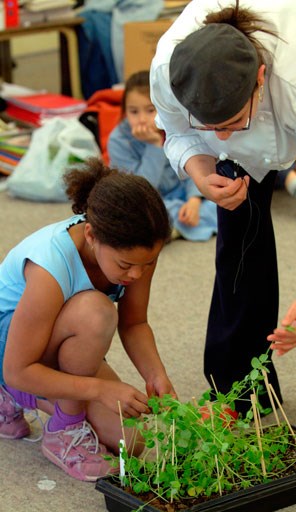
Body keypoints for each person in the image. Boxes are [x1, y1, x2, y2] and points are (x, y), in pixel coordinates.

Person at [150, 0, 296, 442]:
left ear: (260, 78)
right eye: (210, 124)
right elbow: (177, 131)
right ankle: (238, 389)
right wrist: (201, 170)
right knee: (237, 231)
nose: (220, 136)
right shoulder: (169, 66)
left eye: (234, 122)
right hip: (256, 86)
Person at [0, 157, 175, 481]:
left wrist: (156, 375)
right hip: (11, 353)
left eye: (147, 263)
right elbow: (17, 369)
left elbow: (134, 322)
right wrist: (97, 390)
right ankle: (58, 429)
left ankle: (43, 401)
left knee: (132, 441)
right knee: (96, 312)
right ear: (92, 235)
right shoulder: (50, 266)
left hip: (63, 343)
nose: (136, 274)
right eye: (125, 265)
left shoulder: (137, 253)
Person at [107, 70, 217, 241]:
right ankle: (175, 225)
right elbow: (141, 188)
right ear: (124, 112)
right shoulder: (118, 140)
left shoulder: (174, 127)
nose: (142, 119)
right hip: (147, 201)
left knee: (219, 202)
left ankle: (176, 226)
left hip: (183, 195)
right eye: (134, 112)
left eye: (150, 110)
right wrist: (154, 147)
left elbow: (193, 165)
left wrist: (194, 200)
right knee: (136, 215)